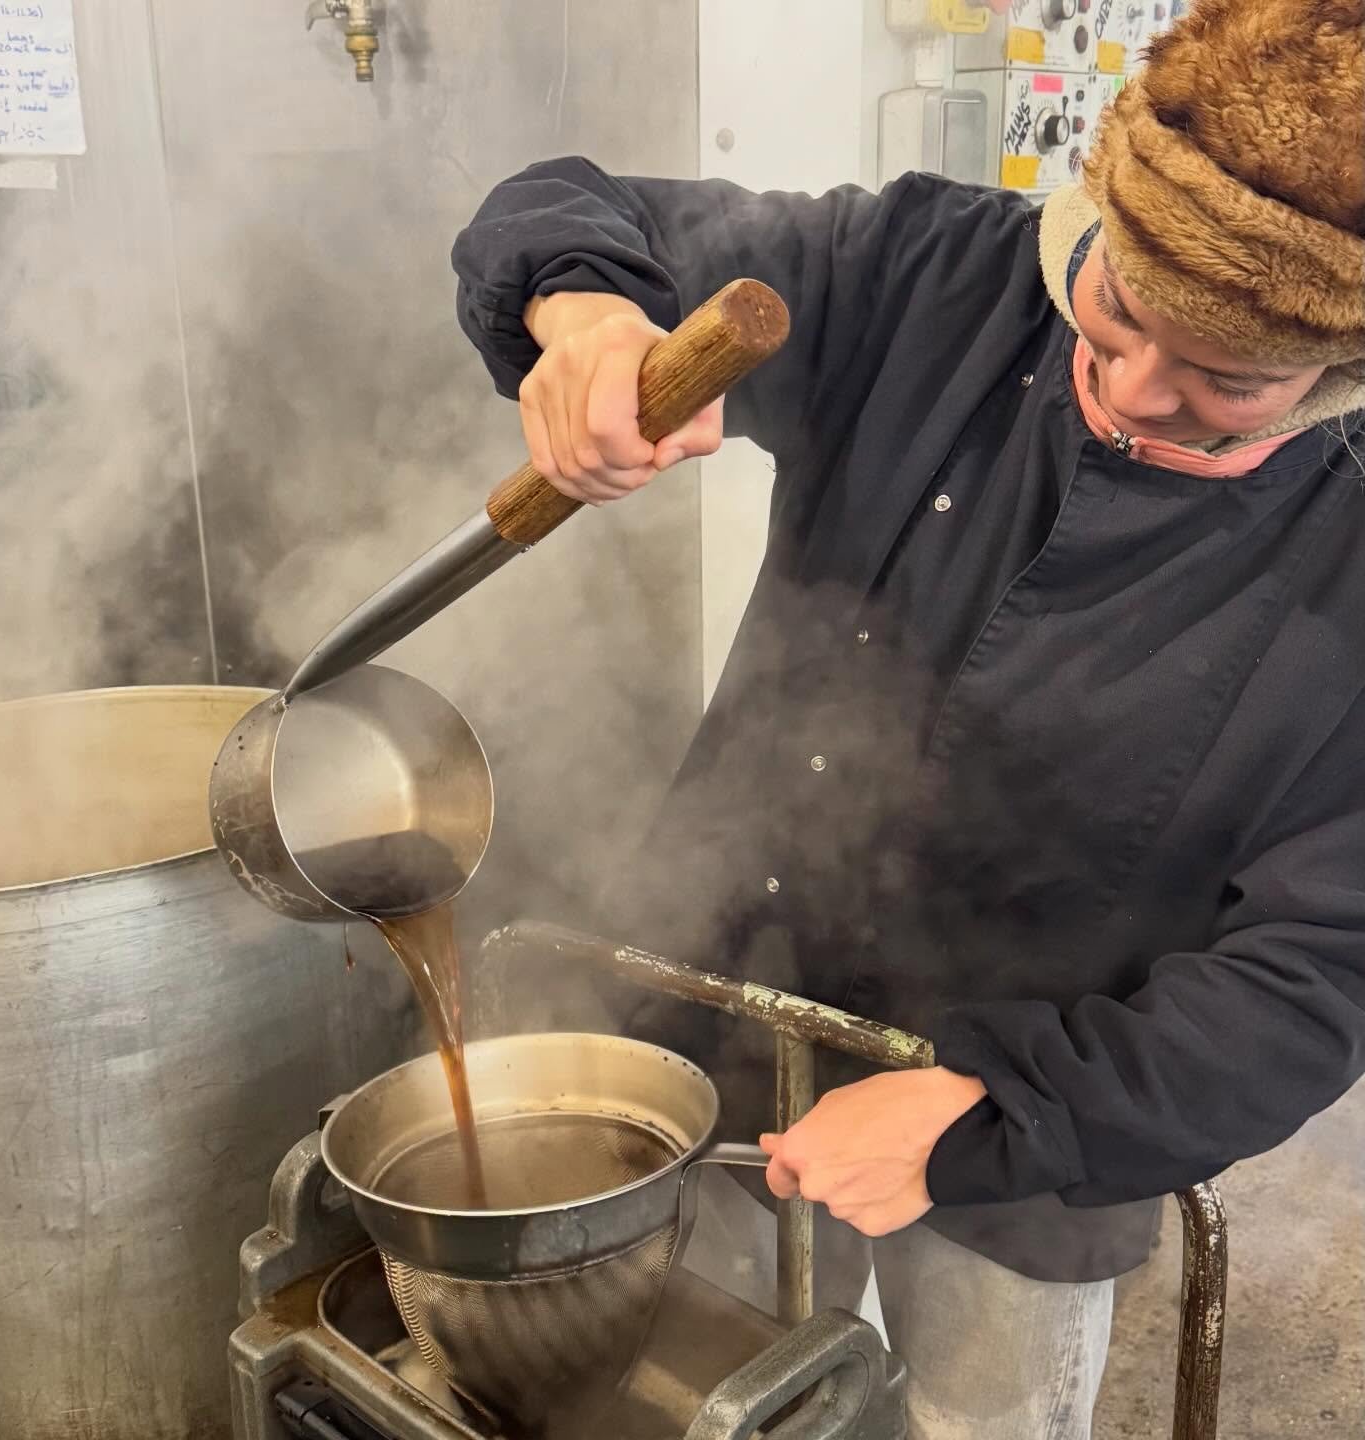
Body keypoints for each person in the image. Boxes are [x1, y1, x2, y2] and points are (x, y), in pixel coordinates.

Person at [453, 0, 1365, 1434]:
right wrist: (592, 318)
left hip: (1030, 1126)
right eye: (1116, 308)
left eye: (1224, 387)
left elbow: (1313, 980)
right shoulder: (938, 275)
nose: (1129, 394)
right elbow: (574, 209)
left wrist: (989, 1117)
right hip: (720, 1007)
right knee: (706, 1391)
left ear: (1339, 373)